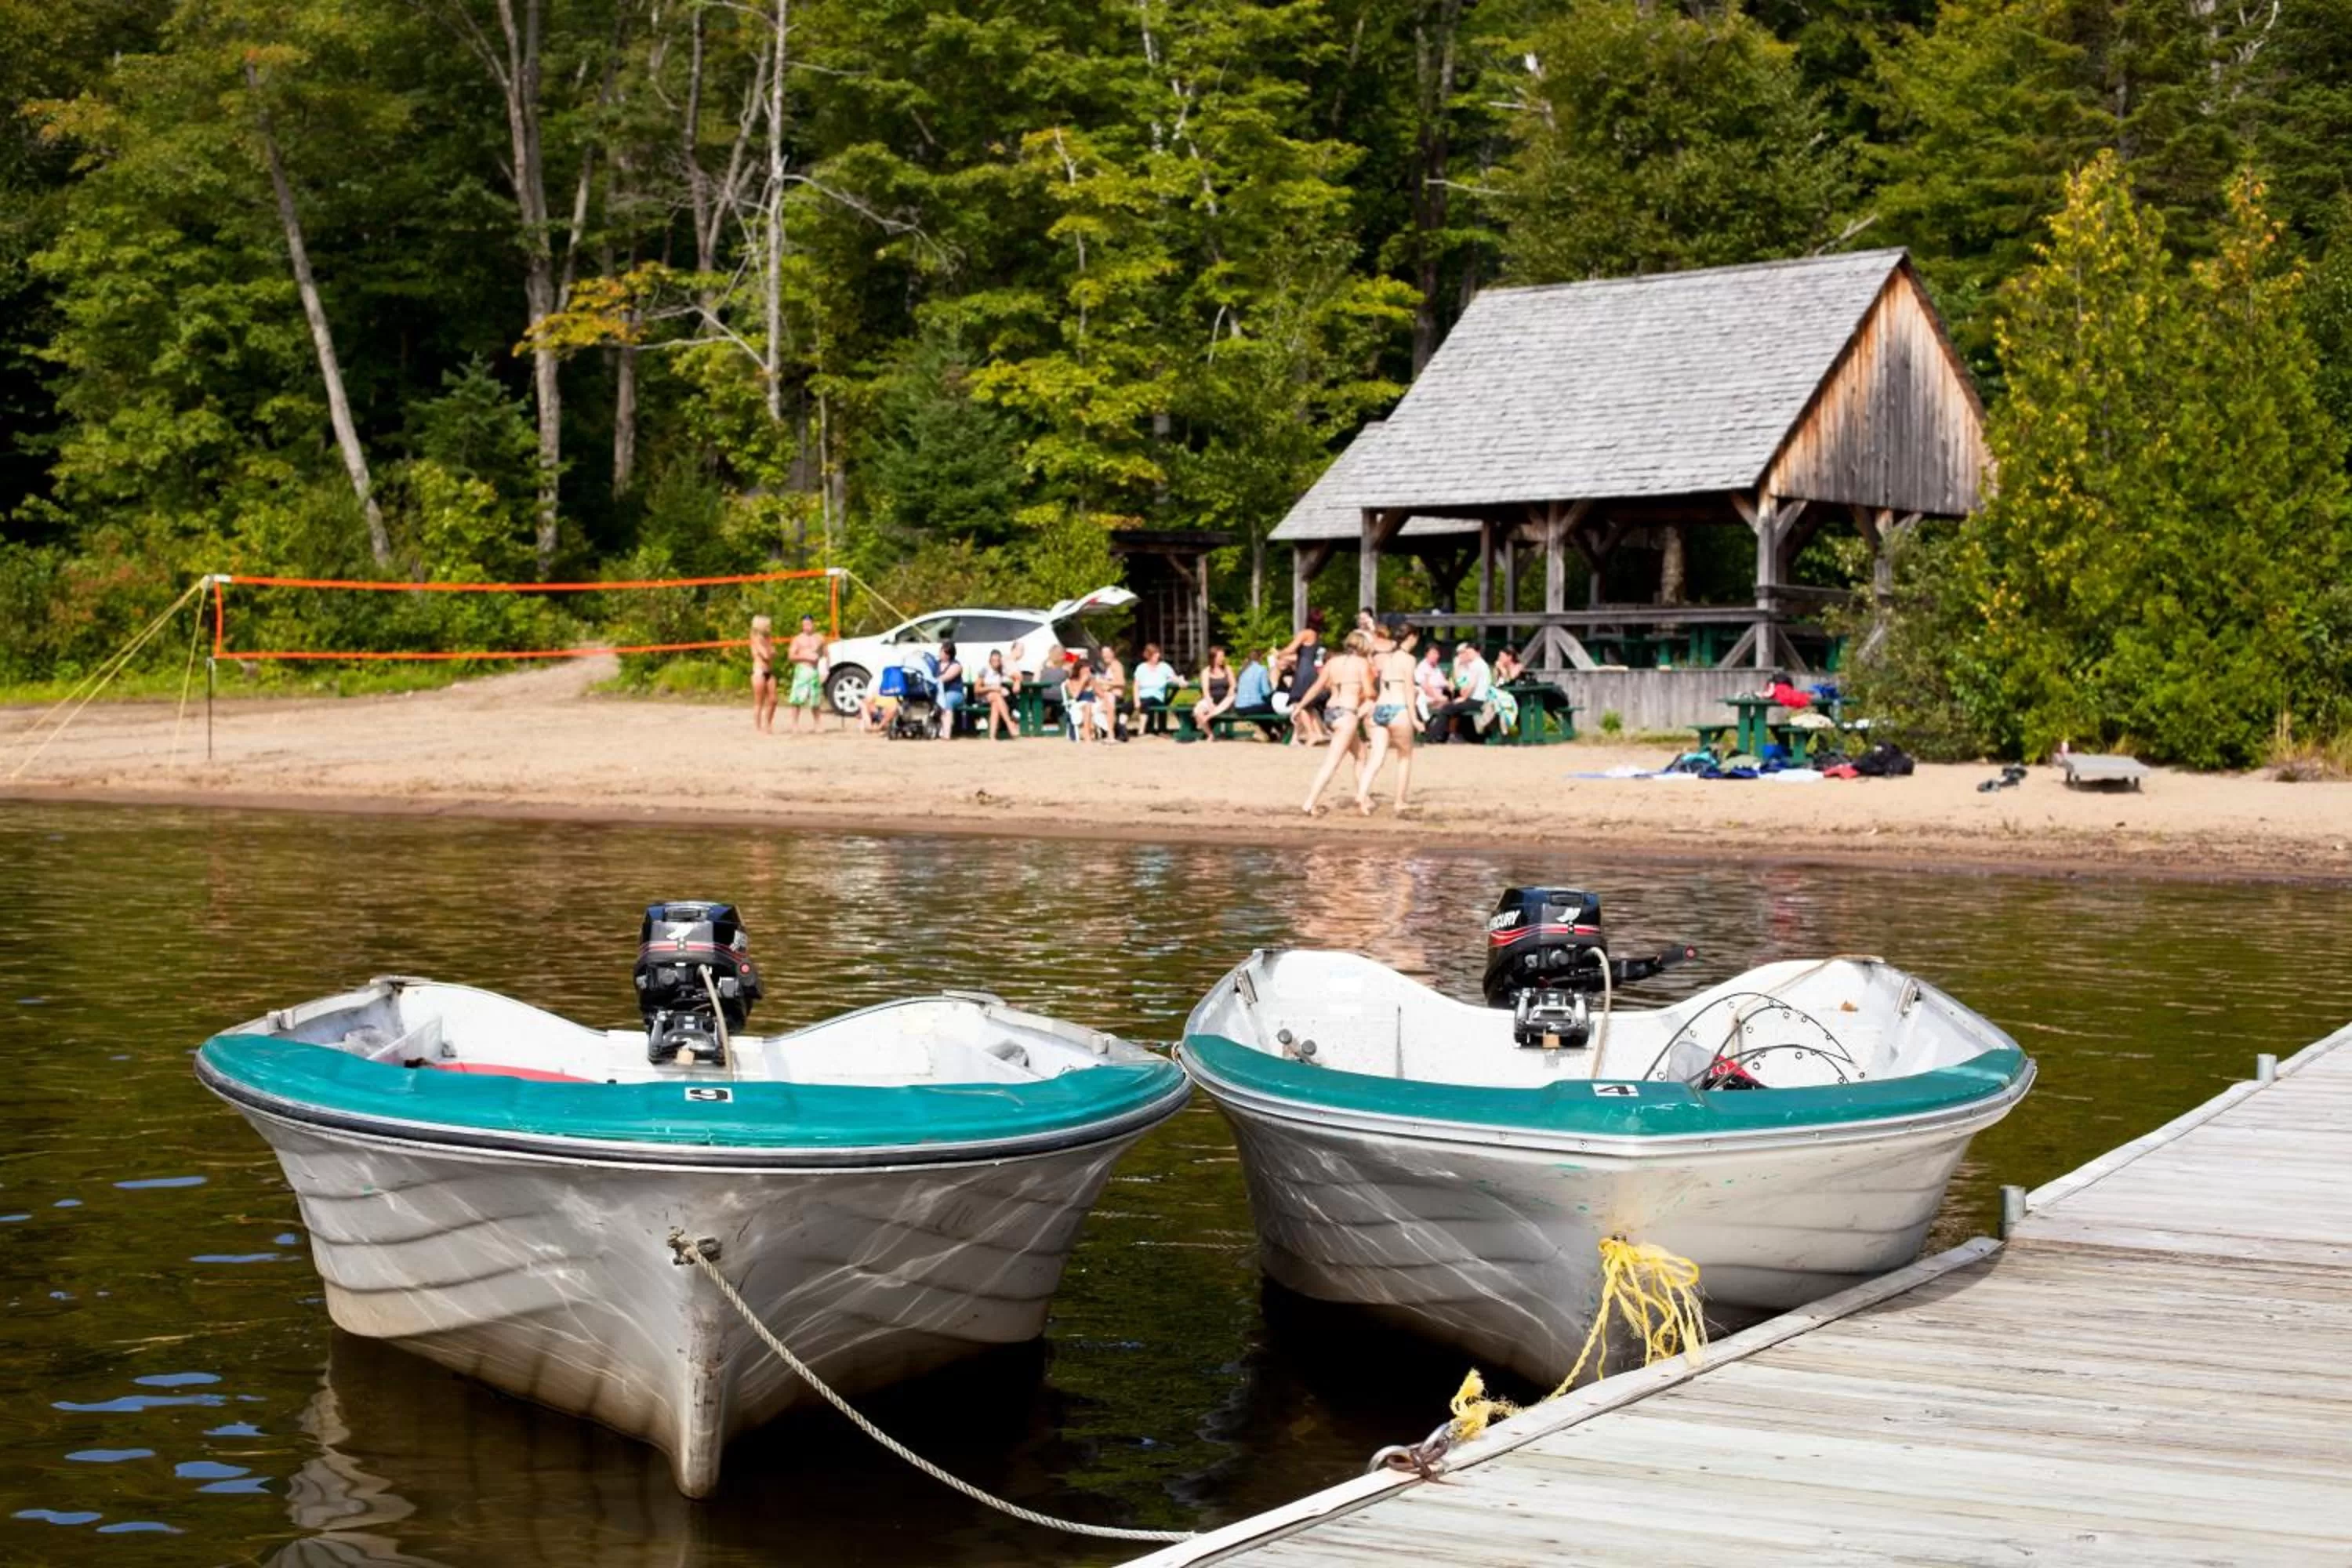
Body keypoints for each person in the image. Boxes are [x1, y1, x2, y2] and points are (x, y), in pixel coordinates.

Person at [1300, 630, 1375, 815]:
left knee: (1361, 755)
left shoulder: (1332, 662)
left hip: (1331, 712)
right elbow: (1369, 692)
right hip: (1347, 713)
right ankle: (1310, 802)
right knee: (1332, 763)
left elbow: (1317, 687)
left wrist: (1299, 706)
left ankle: (1363, 798)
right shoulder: (1362, 664)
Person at [1356, 617, 1419, 815]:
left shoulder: (1387, 658)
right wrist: (1415, 718)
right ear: (1412, 637)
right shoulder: (1409, 660)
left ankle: (1362, 795)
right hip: (1399, 709)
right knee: (1405, 756)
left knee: (1376, 757)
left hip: (1381, 707)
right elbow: (1409, 690)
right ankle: (1399, 801)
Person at [1424, 641, 1493, 744]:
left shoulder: (1477, 665)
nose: (1468, 655)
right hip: (1476, 699)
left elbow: (1470, 686)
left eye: (1470, 653)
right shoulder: (1478, 664)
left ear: (1477, 652)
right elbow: (1463, 685)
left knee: (1447, 708)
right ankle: (1438, 736)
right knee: (1449, 707)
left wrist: (1464, 698)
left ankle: (1433, 737)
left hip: (1477, 701)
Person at [1279, 617, 1327, 744]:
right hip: (1314, 671)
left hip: (1303, 672)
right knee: (1309, 704)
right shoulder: (1318, 637)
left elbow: (1291, 649)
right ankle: (1318, 733)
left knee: (1298, 702)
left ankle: (1311, 734)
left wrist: (1279, 653)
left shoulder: (1305, 633)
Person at [785, 614, 826, 732]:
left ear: (813, 624)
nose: (806, 626)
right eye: (804, 624)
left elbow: (825, 655)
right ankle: (794, 724)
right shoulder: (798, 639)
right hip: (803, 669)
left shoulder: (820, 638)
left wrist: (825, 671)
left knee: (815, 699)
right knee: (797, 698)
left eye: (808, 624)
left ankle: (818, 724)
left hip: (814, 670)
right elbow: (791, 656)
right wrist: (805, 657)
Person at [1131, 643, 1178, 735]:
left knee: (1147, 702)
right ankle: (1121, 729)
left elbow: (1174, 677)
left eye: (1158, 654)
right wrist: (1136, 700)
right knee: (1128, 706)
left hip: (1157, 697)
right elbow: (1136, 685)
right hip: (1142, 696)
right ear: (1149, 656)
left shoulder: (1164, 667)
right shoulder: (1141, 667)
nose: (1157, 656)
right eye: (1155, 654)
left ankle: (1142, 730)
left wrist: (1181, 681)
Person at [1192, 646, 1236, 735]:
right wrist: (1210, 703)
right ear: (1213, 658)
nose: (1223, 659)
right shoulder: (1206, 672)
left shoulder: (1227, 669)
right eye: (1220, 657)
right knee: (1198, 711)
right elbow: (1205, 691)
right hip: (1212, 699)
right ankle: (1210, 734)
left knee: (1231, 697)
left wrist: (1231, 689)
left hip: (1226, 700)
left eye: (1223, 656)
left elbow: (1233, 684)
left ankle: (1208, 716)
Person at [748, 615, 777, 734]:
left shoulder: (768, 639)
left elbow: (773, 653)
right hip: (759, 671)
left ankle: (768, 724)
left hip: (769, 670)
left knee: (773, 700)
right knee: (759, 701)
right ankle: (758, 727)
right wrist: (771, 652)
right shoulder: (756, 639)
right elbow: (766, 655)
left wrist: (771, 652)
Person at [1061, 652, 1096, 742]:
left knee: (1089, 705)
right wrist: (1082, 682)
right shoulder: (1070, 681)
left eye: (1088, 669)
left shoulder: (1091, 680)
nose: (1087, 672)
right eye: (1085, 669)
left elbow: (1101, 694)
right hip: (1077, 704)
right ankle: (1087, 733)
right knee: (1087, 705)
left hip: (1092, 704)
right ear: (1079, 670)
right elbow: (1075, 696)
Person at [980, 649, 1016, 739]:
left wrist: (1018, 682)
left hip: (995, 697)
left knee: (995, 705)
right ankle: (1009, 724)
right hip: (983, 696)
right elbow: (977, 689)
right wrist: (993, 688)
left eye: (997, 661)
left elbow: (1017, 675)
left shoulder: (1002, 670)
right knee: (997, 696)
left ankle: (992, 736)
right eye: (993, 660)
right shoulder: (985, 670)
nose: (995, 663)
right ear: (990, 660)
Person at [1094, 641, 1127, 740]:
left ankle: (1111, 733)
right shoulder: (1108, 666)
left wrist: (1104, 682)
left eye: (1108, 653)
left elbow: (1121, 682)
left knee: (1107, 704)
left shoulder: (1116, 665)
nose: (1105, 655)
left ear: (1113, 653)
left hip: (1115, 695)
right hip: (1107, 695)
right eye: (1103, 653)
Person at [935, 639, 965, 741]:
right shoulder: (936, 664)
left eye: (944, 652)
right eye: (941, 651)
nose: (941, 654)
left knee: (947, 700)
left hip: (955, 693)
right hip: (938, 693)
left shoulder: (956, 666)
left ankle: (946, 734)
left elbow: (945, 678)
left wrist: (933, 679)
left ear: (949, 654)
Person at [1414, 643, 1449, 724]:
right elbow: (1426, 687)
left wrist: (1449, 684)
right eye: (1433, 653)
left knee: (1451, 706)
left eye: (1437, 653)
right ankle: (1428, 721)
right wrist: (1438, 697)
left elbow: (1442, 681)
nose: (1436, 656)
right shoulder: (1423, 666)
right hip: (1429, 698)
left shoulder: (1436, 667)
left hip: (1439, 697)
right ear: (1427, 654)